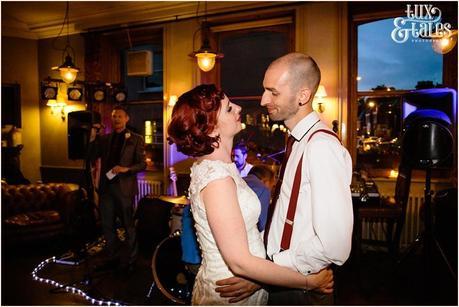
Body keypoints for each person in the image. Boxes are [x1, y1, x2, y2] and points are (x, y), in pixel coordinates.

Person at [167, 84, 333, 305]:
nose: (238, 108)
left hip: (246, 284)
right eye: (228, 108)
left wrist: (256, 279)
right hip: (231, 294)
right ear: (211, 129)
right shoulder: (217, 180)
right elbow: (240, 263)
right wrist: (309, 282)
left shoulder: (219, 167)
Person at [217, 53, 354, 305]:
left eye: (273, 92)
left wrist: (268, 271)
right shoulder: (296, 141)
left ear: (303, 95)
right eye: (264, 91)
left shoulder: (321, 147)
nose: (263, 100)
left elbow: (334, 245)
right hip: (286, 281)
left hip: (301, 290)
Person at [89, 105, 146, 273]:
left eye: (120, 116)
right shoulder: (105, 139)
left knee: (128, 225)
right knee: (107, 225)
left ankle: (131, 260)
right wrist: (93, 136)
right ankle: (112, 257)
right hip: (106, 188)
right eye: (114, 116)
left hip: (124, 188)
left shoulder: (136, 139)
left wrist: (126, 169)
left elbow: (142, 164)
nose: (116, 119)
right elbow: (91, 155)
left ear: (127, 118)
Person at [243, 165, 275, 232]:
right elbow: (261, 224)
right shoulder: (263, 190)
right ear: (266, 180)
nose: (271, 189)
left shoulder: (239, 180)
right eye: (272, 185)